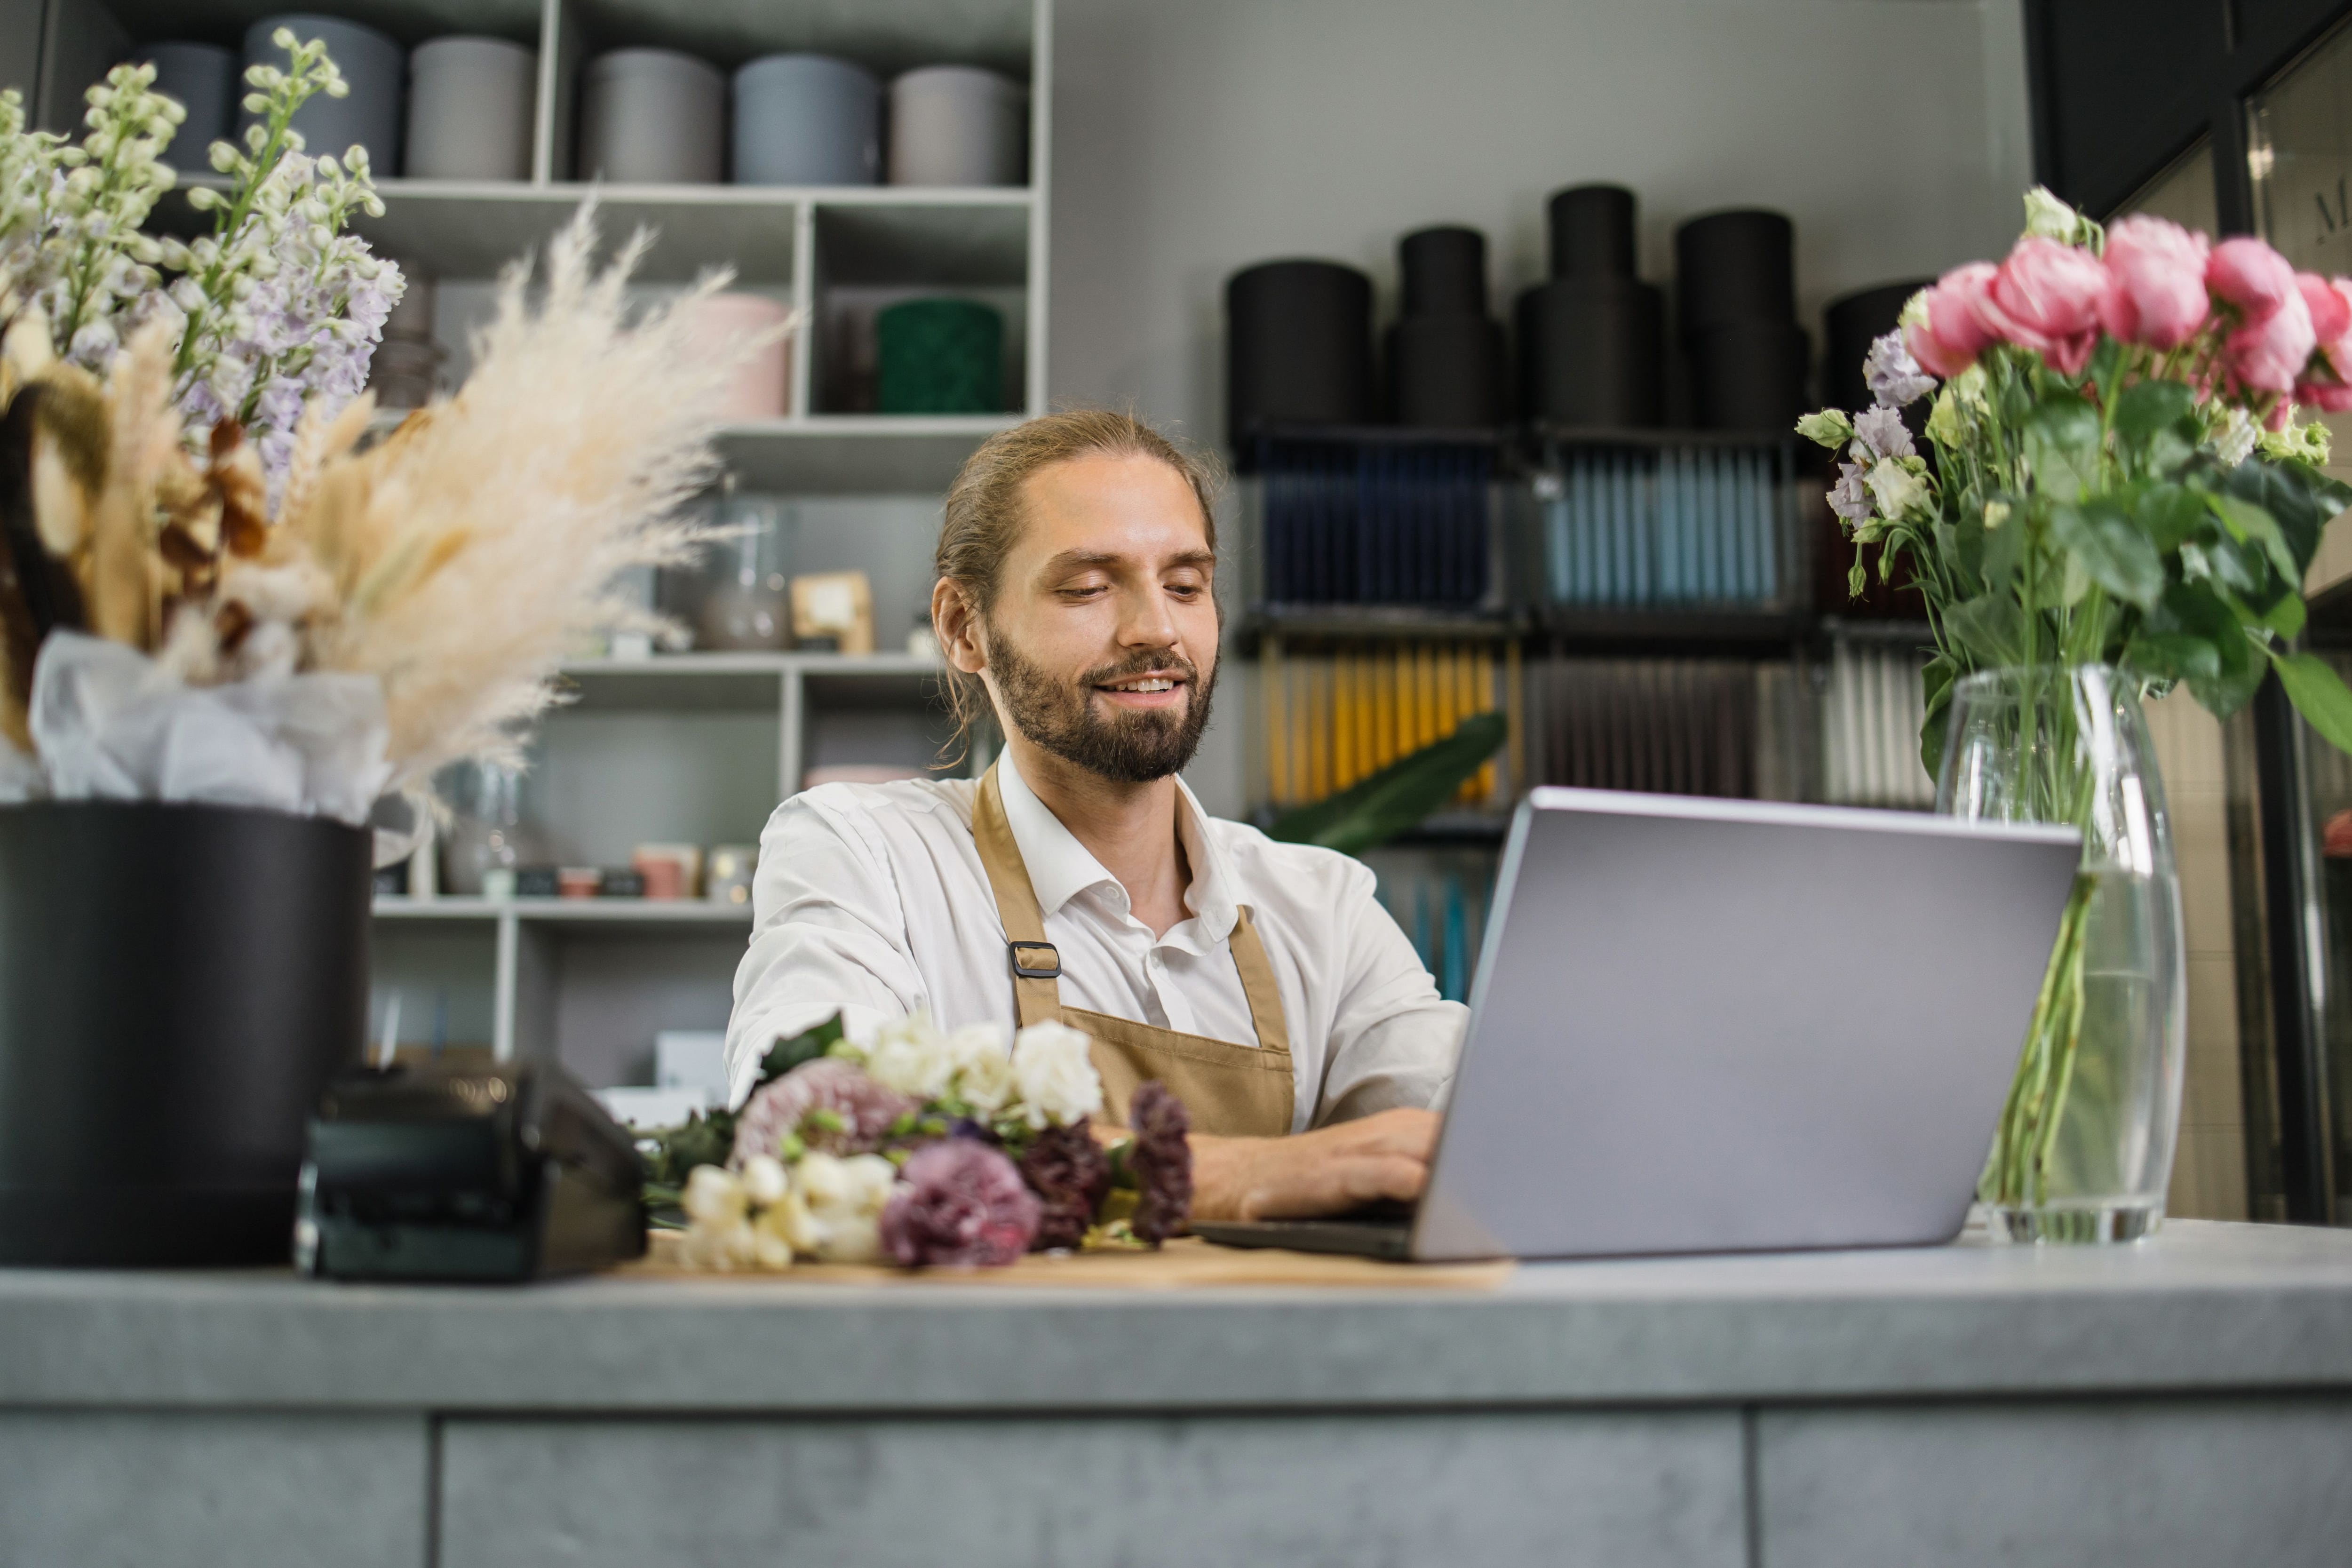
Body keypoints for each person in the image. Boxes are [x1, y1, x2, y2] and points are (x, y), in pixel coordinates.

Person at [724, 410, 1464, 1220]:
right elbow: (810, 1124)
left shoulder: (1324, 907)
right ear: (963, 627)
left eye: (1186, 585)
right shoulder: (867, 857)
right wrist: (1233, 1174)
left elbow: (1476, 1138)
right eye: (1088, 587)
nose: (1157, 629)